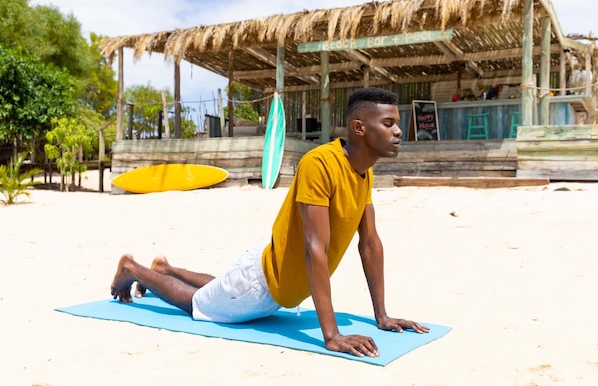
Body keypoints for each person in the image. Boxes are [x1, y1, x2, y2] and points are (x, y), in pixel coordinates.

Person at [110, 87, 430, 358]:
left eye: (396, 124)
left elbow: (370, 243)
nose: (398, 131)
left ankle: (166, 268)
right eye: (389, 123)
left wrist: (382, 316)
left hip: (265, 282)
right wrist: (331, 335)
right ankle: (133, 269)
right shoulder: (319, 164)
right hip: (259, 287)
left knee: (220, 289)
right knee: (198, 305)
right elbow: (314, 246)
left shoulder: (363, 171)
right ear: (359, 128)